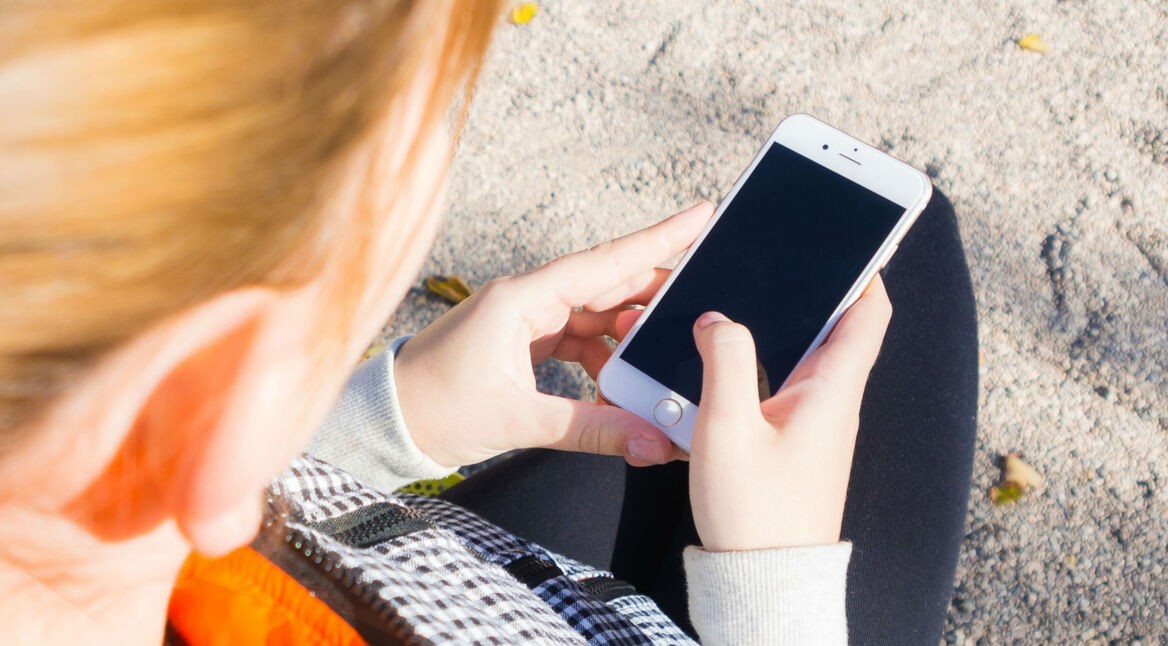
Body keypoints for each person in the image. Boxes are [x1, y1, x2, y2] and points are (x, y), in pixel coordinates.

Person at [0, 2, 977, 645]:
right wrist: (776, 588)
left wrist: (388, 421)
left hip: (402, 560)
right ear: (216, 391)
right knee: (908, 247)